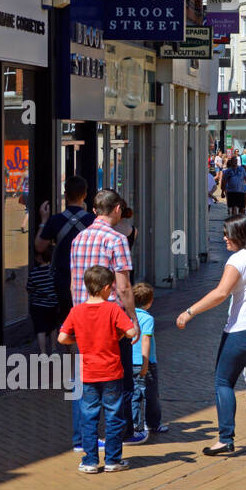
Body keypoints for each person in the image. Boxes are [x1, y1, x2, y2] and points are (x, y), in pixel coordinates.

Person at [176, 214, 246, 457]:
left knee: (223, 381)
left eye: (228, 234)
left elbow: (221, 293)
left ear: (239, 235)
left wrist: (190, 311)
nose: (224, 238)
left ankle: (225, 439)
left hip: (243, 330)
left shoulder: (238, 260)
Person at [70, 189, 141, 445]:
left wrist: (76, 314)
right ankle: (120, 435)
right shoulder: (117, 240)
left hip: (82, 317)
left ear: (93, 211)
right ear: (118, 210)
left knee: (84, 378)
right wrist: (132, 319)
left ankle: (81, 440)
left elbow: (73, 283)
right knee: (116, 378)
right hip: (110, 321)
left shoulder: (78, 239)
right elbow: (123, 287)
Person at [59, 265, 139, 473]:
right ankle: (113, 460)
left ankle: (90, 461)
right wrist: (117, 336)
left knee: (89, 417)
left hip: (88, 373)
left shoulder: (76, 311)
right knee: (114, 417)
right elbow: (130, 332)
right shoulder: (113, 309)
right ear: (105, 288)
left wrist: (80, 340)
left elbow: (62, 338)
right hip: (112, 372)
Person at [34, 175, 95, 343]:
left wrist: (43, 221)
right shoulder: (93, 220)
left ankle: (72, 353)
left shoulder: (56, 220)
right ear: (84, 195)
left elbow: (39, 246)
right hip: (89, 277)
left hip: (63, 277)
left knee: (69, 319)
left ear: (65, 194)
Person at [129, 282, 165, 438]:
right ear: (149, 302)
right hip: (146, 362)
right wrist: (145, 363)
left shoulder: (127, 316)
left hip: (128, 361)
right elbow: (146, 340)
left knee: (133, 394)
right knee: (151, 394)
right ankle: (153, 424)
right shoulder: (147, 319)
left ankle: (134, 426)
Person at [26, 245, 59, 355]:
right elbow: (57, 286)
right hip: (52, 304)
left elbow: (29, 288)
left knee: (40, 329)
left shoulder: (34, 272)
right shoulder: (54, 271)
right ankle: (54, 349)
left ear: (39, 258)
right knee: (53, 327)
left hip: (38, 305)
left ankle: (43, 352)